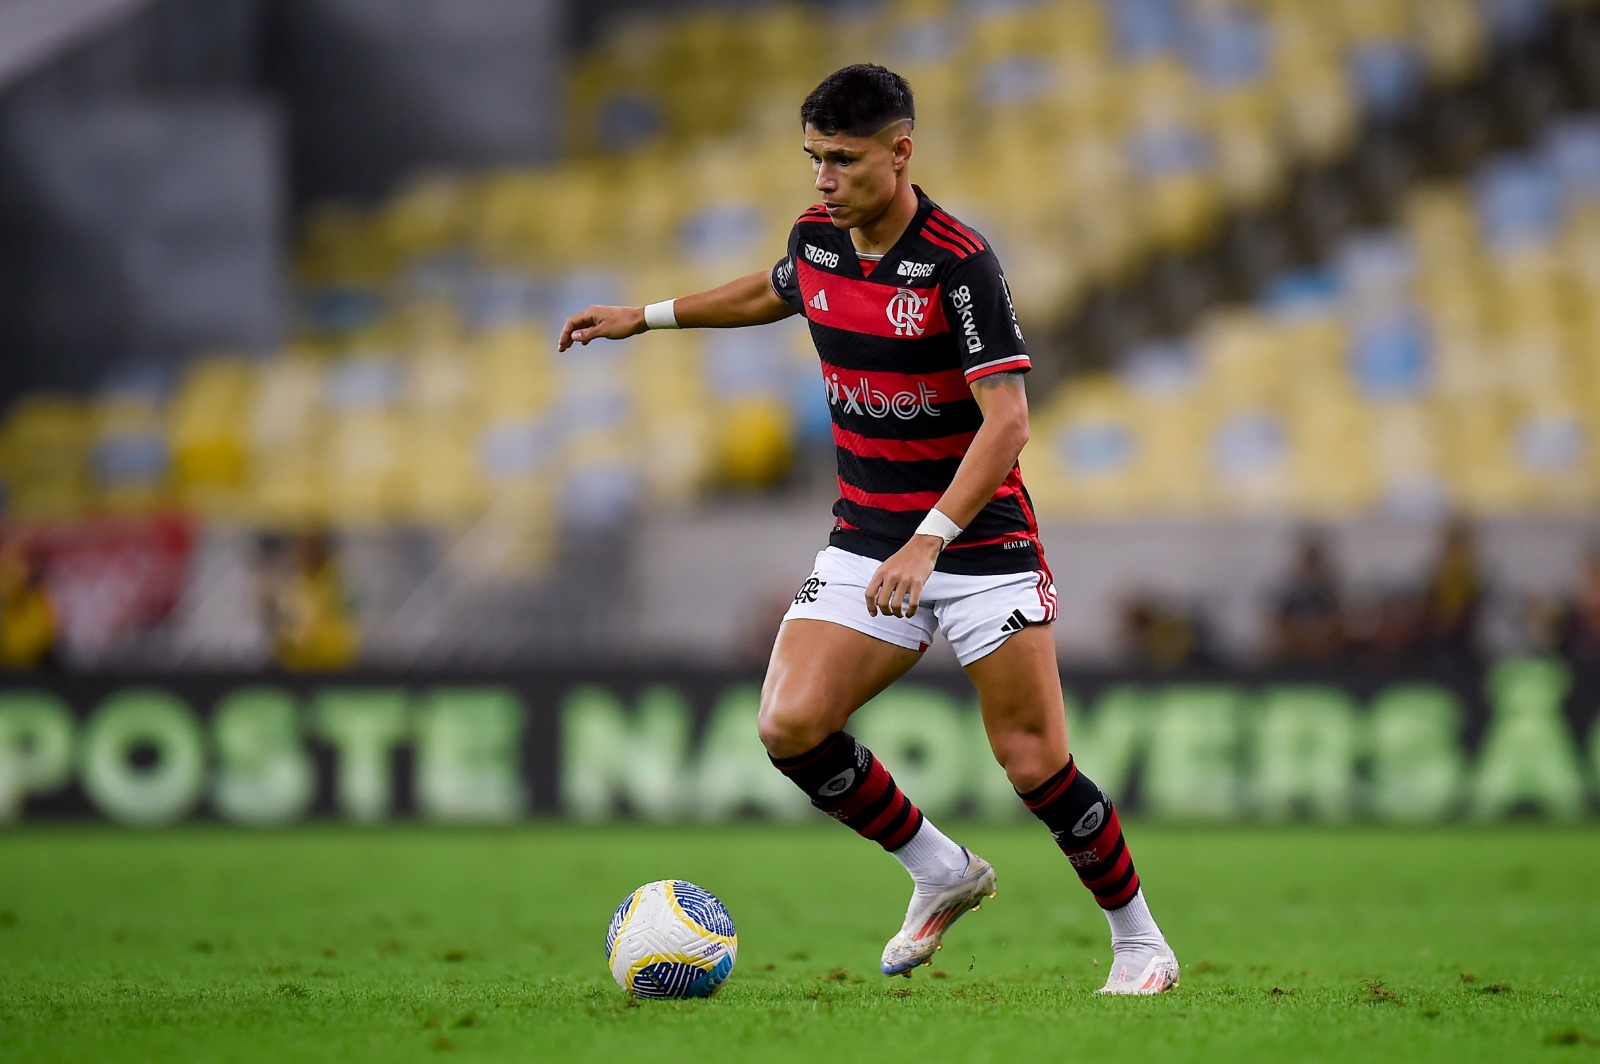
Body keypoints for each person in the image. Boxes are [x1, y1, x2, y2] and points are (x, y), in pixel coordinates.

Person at [559, 64, 1178, 995]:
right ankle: (939, 869)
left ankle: (1140, 945)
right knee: (790, 723)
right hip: (865, 537)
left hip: (975, 541)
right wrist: (644, 318)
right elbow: (774, 290)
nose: (822, 180)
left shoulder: (959, 262)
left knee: (1032, 760)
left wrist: (930, 536)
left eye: (841, 160)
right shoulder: (819, 239)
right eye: (813, 159)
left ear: (901, 152)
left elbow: (1007, 422)